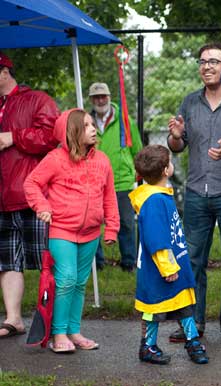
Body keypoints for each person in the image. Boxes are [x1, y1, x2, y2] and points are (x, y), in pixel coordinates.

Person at [167, 42, 221, 344]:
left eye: (214, 61)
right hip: (197, 193)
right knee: (192, 259)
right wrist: (175, 136)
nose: (207, 67)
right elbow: (178, 145)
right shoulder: (189, 102)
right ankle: (193, 322)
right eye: (202, 62)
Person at [24, 109, 120, 353]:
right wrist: (42, 206)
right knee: (66, 280)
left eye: (92, 124)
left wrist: (111, 228)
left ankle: (74, 331)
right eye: (86, 125)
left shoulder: (102, 161)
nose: (93, 128)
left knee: (79, 282)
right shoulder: (55, 159)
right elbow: (32, 183)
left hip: (91, 234)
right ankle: (58, 334)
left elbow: (109, 196)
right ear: (72, 132)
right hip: (61, 230)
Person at [129, 145, 208, 365]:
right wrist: (169, 268)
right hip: (162, 269)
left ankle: (192, 341)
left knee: (184, 304)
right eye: (170, 161)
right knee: (153, 308)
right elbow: (157, 239)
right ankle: (148, 346)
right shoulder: (153, 202)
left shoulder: (161, 195)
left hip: (175, 265)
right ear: (165, 170)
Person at [0, 52, 60, 339]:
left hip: (31, 194)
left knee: (46, 259)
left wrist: (14, 136)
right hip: (1, 197)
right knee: (7, 261)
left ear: (4, 72)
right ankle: (14, 319)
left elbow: (53, 136)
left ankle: (54, 321)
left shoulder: (37, 100)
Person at [88, 82, 143, 272]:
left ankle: (129, 263)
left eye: (103, 96)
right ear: (91, 100)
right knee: (92, 223)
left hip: (121, 181)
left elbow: (137, 148)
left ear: (109, 97)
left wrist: (138, 169)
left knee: (126, 224)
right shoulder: (87, 122)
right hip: (93, 181)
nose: (100, 100)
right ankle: (97, 264)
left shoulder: (125, 121)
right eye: (96, 97)